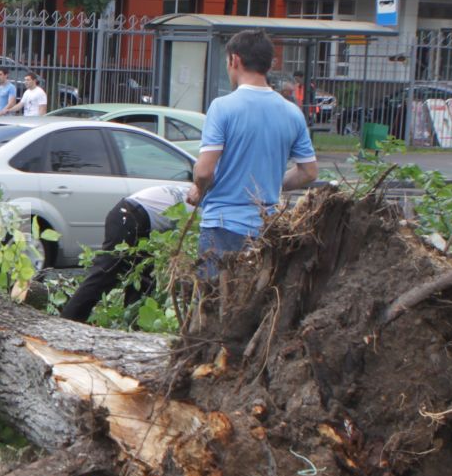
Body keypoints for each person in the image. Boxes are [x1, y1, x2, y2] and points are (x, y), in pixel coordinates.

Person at [192, 30, 319, 273]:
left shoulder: (222, 107)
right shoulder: (292, 112)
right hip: (265, 231)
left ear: (235, 60)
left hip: (222, 228)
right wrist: (266, 184)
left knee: (212, 304)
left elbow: (205, 171)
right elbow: (309, 172)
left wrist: (198, 186)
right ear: (269, 64)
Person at [59, 182, 194, 323]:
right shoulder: (204, 208)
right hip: (130, 215)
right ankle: (69, 321)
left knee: (144, 280)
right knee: (106, 273)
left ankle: (134, 325)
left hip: (139, 220)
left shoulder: (193, 192)